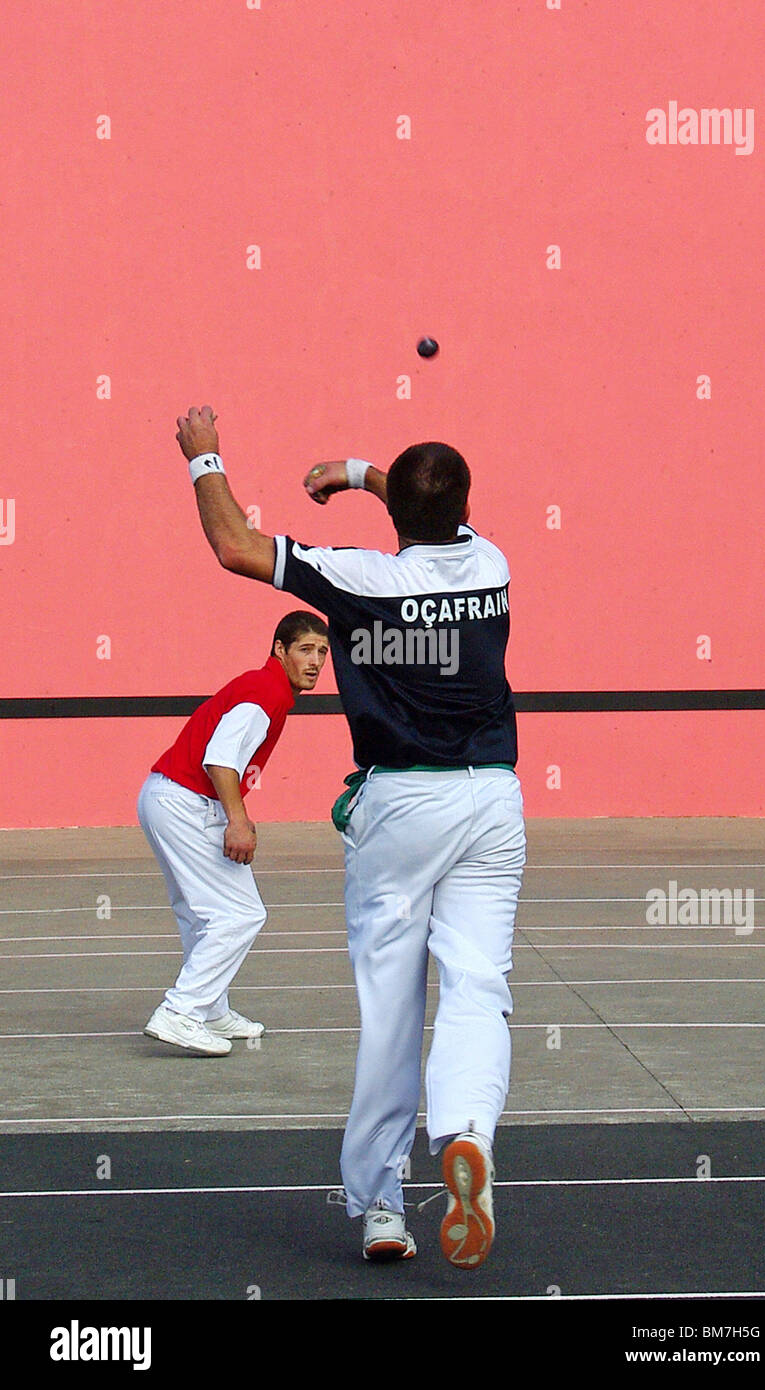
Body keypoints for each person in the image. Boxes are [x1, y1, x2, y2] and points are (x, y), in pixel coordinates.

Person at [175, 406, 525, 1266]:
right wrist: (363, 471)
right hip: (493, 804)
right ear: (465, 508)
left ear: (396, 517)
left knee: (392, 1011)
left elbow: (236, 547)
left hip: (401, 809)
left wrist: (202, 457)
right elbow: (426, 511)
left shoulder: (361, 578)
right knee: (479, 986)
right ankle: (466, 1134)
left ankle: (379, 1208)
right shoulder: (492, 564)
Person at [138, 609, 330, 1056]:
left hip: (167, 797)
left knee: (200, 914)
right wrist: (237, 820)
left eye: (322, 652)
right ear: (279, 650)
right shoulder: (264, 692)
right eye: (305, 649)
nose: (316, 661)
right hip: (184, 802)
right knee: (240, 914)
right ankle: (181, 1011)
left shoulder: (267, 688)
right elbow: (219, 760)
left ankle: (208, 1009)